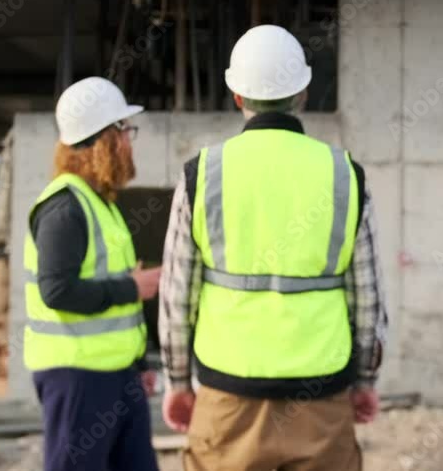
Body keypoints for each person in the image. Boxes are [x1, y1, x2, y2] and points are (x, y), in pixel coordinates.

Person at [158, 24, 388, 471]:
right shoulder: (345, 175)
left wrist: (178, 382)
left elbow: (176, 295)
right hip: (320, 401)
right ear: (303, 93)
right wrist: (365, 380)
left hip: (228, 401)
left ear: (237, 96)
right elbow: (368, 298)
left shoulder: (201, 175)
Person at [24, 77, 162, 471]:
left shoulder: (101, 204)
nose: (129, 143)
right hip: (77, 378)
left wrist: (137, 366)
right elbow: (57, 291)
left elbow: (111, 290)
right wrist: (132, 286)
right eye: (125, 132)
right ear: (104, 140)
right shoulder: (64, 208)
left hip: (116, 375)